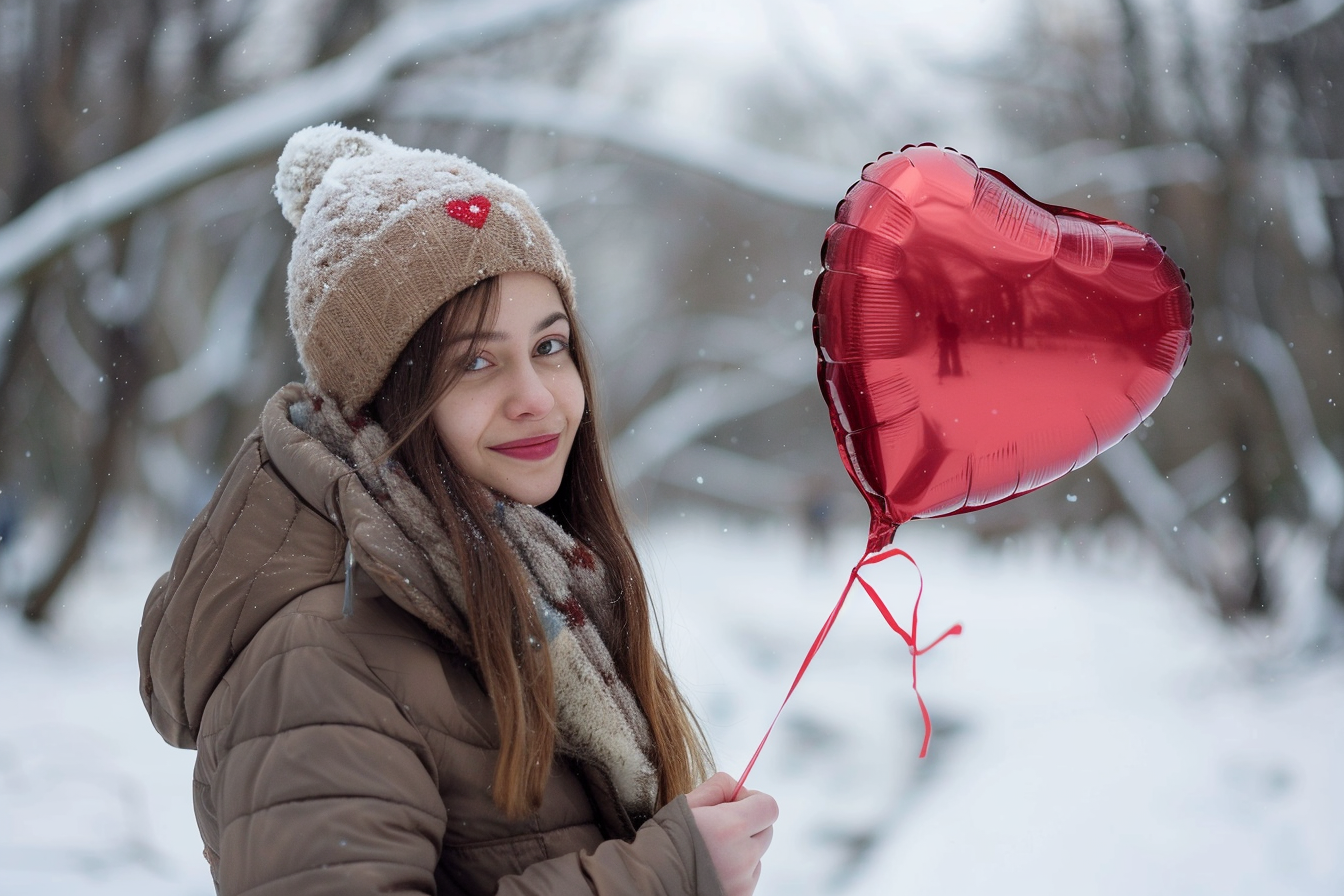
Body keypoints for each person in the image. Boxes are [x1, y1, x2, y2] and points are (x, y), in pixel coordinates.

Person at [137, 124, 777, 896]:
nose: (537, 399)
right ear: (381, 399)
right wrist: (666, 874)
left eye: (549, 347)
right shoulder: (316, 656)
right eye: (475, 362)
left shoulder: (538, 594)